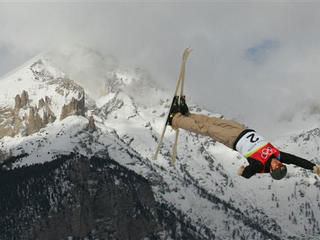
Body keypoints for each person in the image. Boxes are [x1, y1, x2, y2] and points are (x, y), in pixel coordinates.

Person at [168, 98, 320, 180]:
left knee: (206, 129)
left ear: (271, 170)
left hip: (233, 139)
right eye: (281, 164)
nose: (278, 163)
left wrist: (242, 172)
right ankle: (186, 114)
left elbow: (248, 173)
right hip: (242, 129)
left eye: (276, 166)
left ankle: (176, 119)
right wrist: (312, 166)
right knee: (211, 121)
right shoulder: (277, 155)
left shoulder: (260, 165)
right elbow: (295, 160)